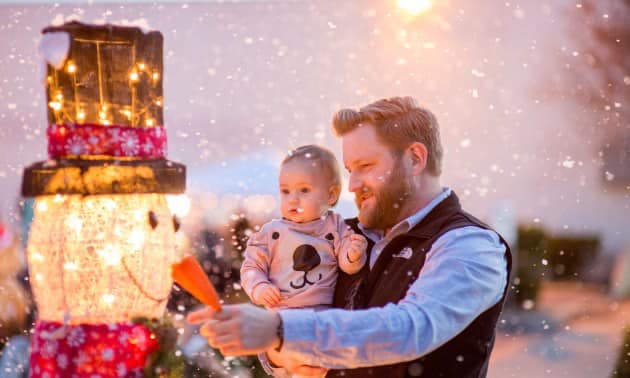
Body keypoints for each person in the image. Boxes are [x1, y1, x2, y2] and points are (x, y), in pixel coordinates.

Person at [188, 96, 512, 378]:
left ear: (415, 158)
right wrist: (277, 352)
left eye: (366, 166)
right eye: (349, 170)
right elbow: (294, 321)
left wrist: (280, 331)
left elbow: (411, 329)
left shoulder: (471, 245)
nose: (353, 184)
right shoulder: (341, 233)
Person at [240, 145, 367, 310]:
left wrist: (354, 254)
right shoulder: (271, 233)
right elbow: (251, 267)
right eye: (285, 191)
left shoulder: (335, 226)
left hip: (321, 313)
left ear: (331, 195)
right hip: (282, 311)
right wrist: (259, 287)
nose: (293, 199)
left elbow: (349, 267)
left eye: (304, 190)